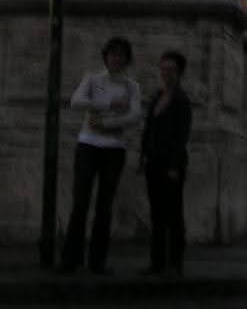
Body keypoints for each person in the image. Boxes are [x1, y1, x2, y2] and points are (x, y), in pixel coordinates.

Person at [60, 37, 142, 274]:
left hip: (114, 147)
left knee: (105, 205)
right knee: (80, 202)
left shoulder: (132, 86)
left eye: (120, 55)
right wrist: (107, 105)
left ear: (126, 59)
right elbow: (76, 101)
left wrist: (108, 123)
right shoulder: (93, 79)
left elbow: (135, 115)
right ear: (106, 56)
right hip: (88, 144)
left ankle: (98, 260)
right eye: (112, 54)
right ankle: (71, 258)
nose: (116, 58)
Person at [140, 51, 191, 279]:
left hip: (172, 163)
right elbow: (148, 128)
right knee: (157, 214)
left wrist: (174, 166)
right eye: (163, 69)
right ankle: (157, 261)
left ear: (179, 73)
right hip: (154, 161)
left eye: (170, 70)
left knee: (173, 213)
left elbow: (182, 135)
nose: (166, 74)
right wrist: (143, 154)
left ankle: (175, 262)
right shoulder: (156, 96)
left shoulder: (181, 100)